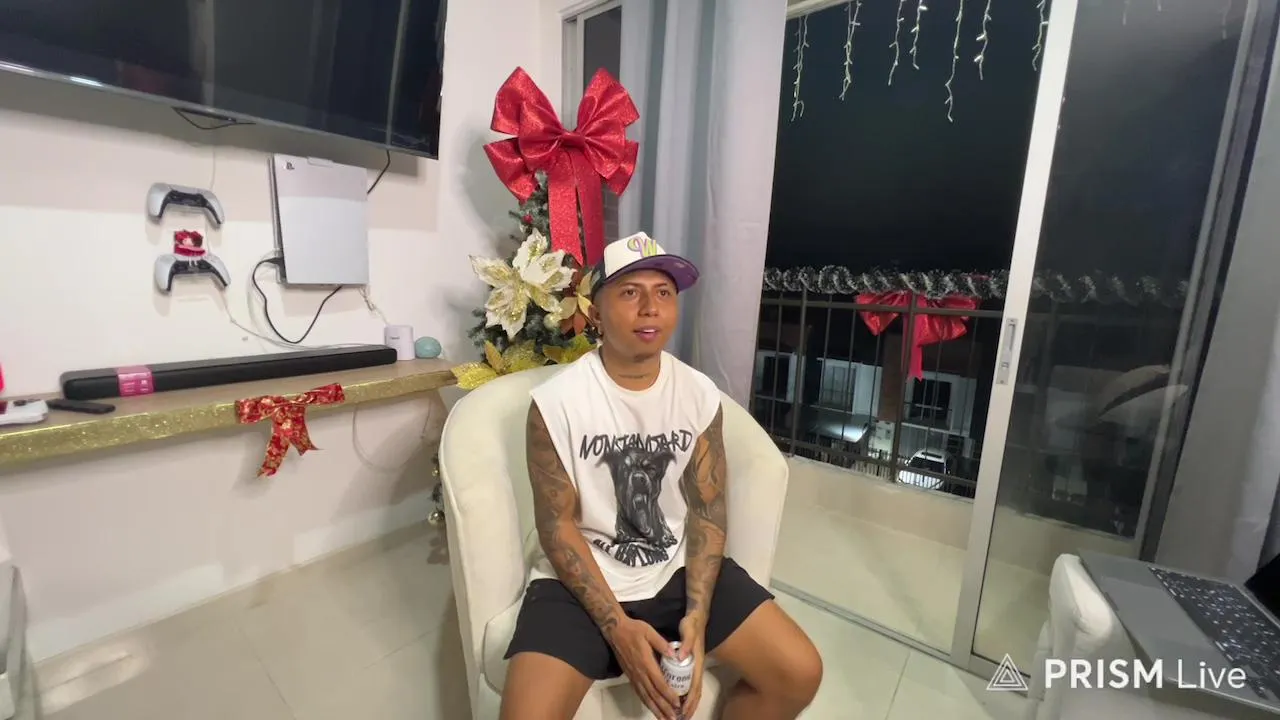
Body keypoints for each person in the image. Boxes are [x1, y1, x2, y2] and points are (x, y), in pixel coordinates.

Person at [500, 233, 823, 720]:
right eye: (630, 292)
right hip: (581, 579)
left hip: (674, 569)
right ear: (596, 311)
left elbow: (707, 508)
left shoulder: (698, 394)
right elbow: (556, 525)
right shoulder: (557, 403)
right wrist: (617, 628)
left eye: (664, 292)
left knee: (799, 672)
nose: (650, 307)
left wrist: (698, 613)